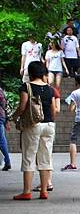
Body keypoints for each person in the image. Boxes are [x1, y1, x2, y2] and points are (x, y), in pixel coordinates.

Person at [12, 61, 58, 200]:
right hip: (49, 125)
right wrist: (50, 121)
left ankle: (27, 191)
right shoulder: (50, 89)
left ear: (30, 73)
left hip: (33, 125)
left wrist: (15, 117)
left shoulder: (26, 87)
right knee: (45, 158)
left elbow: (22, 106)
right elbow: (53, 110)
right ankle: (44, 191)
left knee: (29, 157)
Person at [0, 85, 11, 171]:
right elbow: (5, 105)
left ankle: (7, 162)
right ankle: (7, 162)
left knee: (1, 140)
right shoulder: (1, 90)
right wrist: (7, 120)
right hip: (1, 116)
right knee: (1, 140)